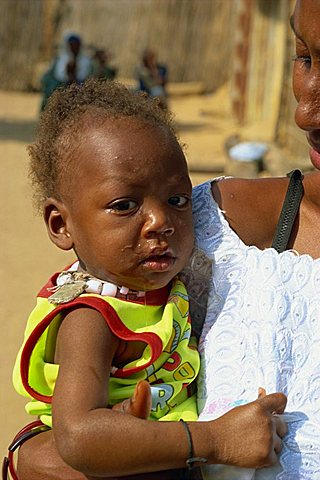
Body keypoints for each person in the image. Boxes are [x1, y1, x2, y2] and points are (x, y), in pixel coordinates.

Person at [4, 79, 287, 480]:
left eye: (177, 200)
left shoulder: (159, 291)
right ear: (60, 225)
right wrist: (215, 440)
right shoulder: (93, 316)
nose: (160, 222)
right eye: (124, 205)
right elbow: (78, 436)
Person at [40, 33, 92, 111]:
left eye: (76, 46)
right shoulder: (60, 60)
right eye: (71, 46)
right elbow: (56, 77)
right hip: (61, 89)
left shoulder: (86, 61)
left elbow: (87, 77)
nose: (74, 48)